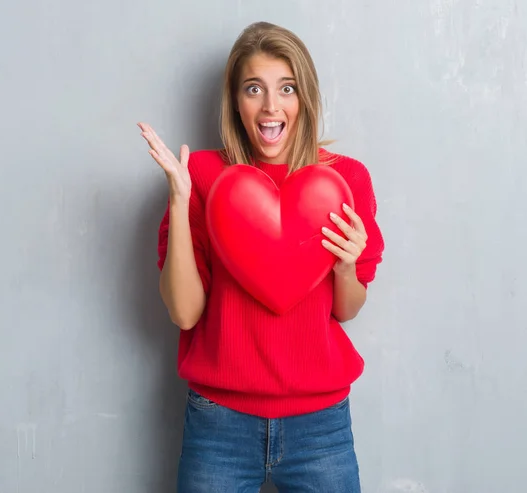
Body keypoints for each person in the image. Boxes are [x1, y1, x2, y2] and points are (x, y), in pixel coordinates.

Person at [138, 21, 384, 493]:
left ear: (304, 97)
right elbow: (185, 314)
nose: (271, 106)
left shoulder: (344, 181)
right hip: (218, 425)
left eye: (286, 88)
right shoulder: (203, 176)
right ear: (235, 99)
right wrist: (180, 198)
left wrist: (348, 265)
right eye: (255, 88)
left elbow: (345, 309)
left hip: (320, 427)